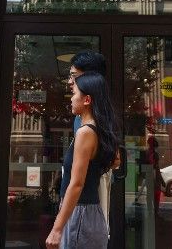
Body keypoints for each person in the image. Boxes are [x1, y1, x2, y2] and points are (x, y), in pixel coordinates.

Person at [46, 71, 120, 249]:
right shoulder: (99, 130)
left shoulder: (85, 132)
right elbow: (115, 161)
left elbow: (77, 183)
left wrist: (56, 230)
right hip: (88, 214)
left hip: (80, 215)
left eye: (74, 93)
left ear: (87, 100)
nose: (71, 98)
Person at [68, 51, 119, 227]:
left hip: (91, 193)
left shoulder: (95, 118)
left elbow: (115, 159)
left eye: (74, 76)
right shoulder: (83, 115)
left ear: (90, 77)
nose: (70, 82)